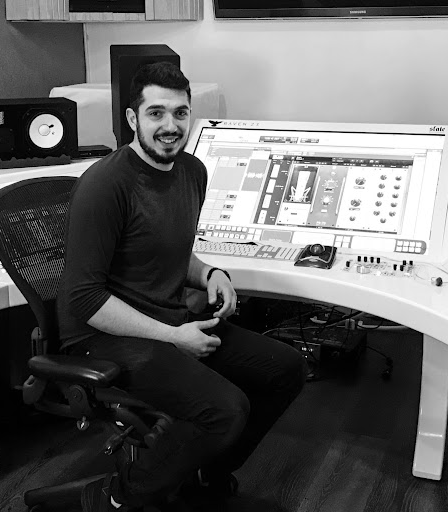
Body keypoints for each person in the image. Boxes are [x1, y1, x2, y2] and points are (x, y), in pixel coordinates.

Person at [57, 61, 307, 512]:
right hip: (101, 335)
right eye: (156, 113)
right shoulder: (104, 185)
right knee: (225, 409)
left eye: (180, 113)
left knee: (286, 368)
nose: (170, 126)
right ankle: (118, 497)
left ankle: (205, 472)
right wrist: (174, 336)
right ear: (132, 119)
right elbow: (84, 298)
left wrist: (209, 273)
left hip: (165, 321)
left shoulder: (192, 171)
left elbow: (167, 248)